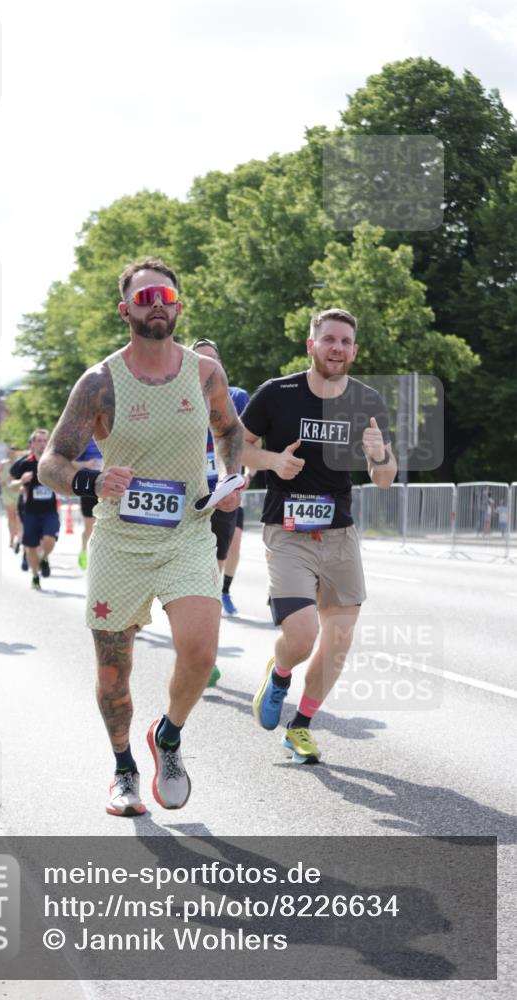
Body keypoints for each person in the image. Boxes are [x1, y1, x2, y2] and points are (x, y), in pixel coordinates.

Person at [39, 256, 244, 816]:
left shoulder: (204, 373)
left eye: (166, 297)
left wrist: (230, 477)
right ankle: (124, 767)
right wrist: (91, 479)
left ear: (178, 307)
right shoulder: (100, 383)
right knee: (114, 671)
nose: (157, 304)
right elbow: (52, 461)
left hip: (187, 533)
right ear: (125, 308)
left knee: (200, 653)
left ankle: (168, 737)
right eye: (145, 297)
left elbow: (230, 431)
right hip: (120, 542)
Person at [243, 308, 396, 763]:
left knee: (339, 641)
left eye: (345, 341)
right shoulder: (277, 393)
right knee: (302, 634)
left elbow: (384, 478)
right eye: (329, 339)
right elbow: (237, 447)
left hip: (340, 534)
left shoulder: (367, 400)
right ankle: (279, 673)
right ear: (311, 345)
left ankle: (301, 726)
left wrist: (379, 455)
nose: (337, 348)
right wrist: (274, 462)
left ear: (354, 351)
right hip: (287, 531)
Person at [192, 338, 250, 686]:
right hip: (183, 498)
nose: (205, 367)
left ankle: (206, 655)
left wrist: (242, 473)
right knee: (185, 584)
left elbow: (246, 439)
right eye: (197, 360)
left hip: (222, 496)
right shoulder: (175, 398)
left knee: (208, 580)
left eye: (211, 360)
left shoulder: (236, 397)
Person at [10, 430, 60, 590]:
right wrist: (21, 481)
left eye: (45, 440)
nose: (43, 444)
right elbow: (12, 485)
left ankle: (44, 558)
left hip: (50, 511)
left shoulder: (53, 462)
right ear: (32, 444)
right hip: (31, 511)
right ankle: (35, 575)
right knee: (30, 547)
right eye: (39, 441)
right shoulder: (25, 463)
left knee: (49, 539)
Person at [73, 437, 103, 569]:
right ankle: (84, 549)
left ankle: (99, 557)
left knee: (103, 524)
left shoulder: (112, 437)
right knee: (89, 526)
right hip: (88, 487)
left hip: (106, 488)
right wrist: (87, 464)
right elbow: (71, 463)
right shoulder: (85, 440)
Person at [0, 446, 23, 552]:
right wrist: (0, 481)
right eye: (10, 453)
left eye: (13, 453)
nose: (12, 454)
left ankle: (18, 538)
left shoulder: (20, 463)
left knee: (18, 516)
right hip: (7, 491)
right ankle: (11, 538)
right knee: (11, 516)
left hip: (17, 491)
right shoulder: (3, 463)